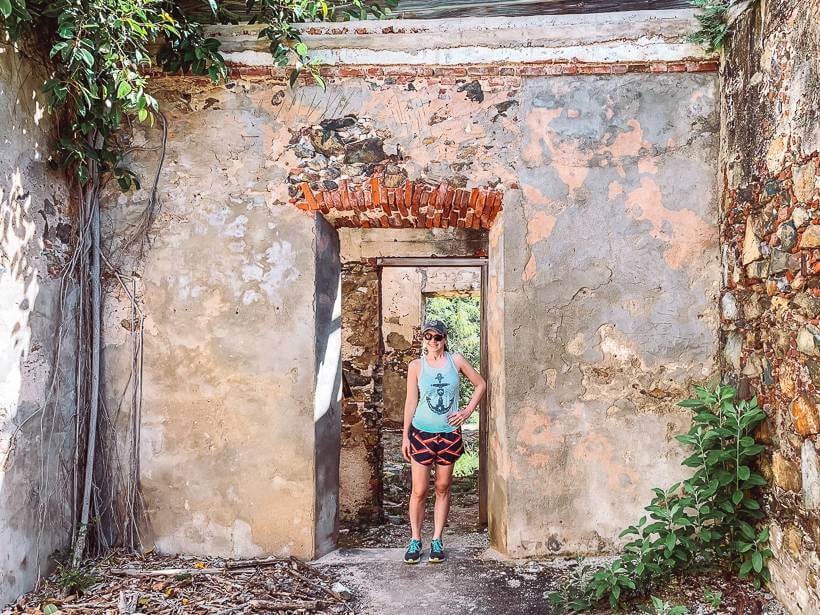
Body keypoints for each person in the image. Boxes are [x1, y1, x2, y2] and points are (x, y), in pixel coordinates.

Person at [401, 319, 486, 564]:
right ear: (423, 339)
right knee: (419, 490)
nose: (433, 341)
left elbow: (481, 384)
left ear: (444, 339)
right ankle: (415, 539)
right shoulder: (416, 366)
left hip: (449, 434)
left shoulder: (456, 361)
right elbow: (410, 401)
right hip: (422, 432)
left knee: (442, 487)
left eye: (437, 337)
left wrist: (467, 412)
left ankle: (437, 538)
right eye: (428, 337)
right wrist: (405, 435)